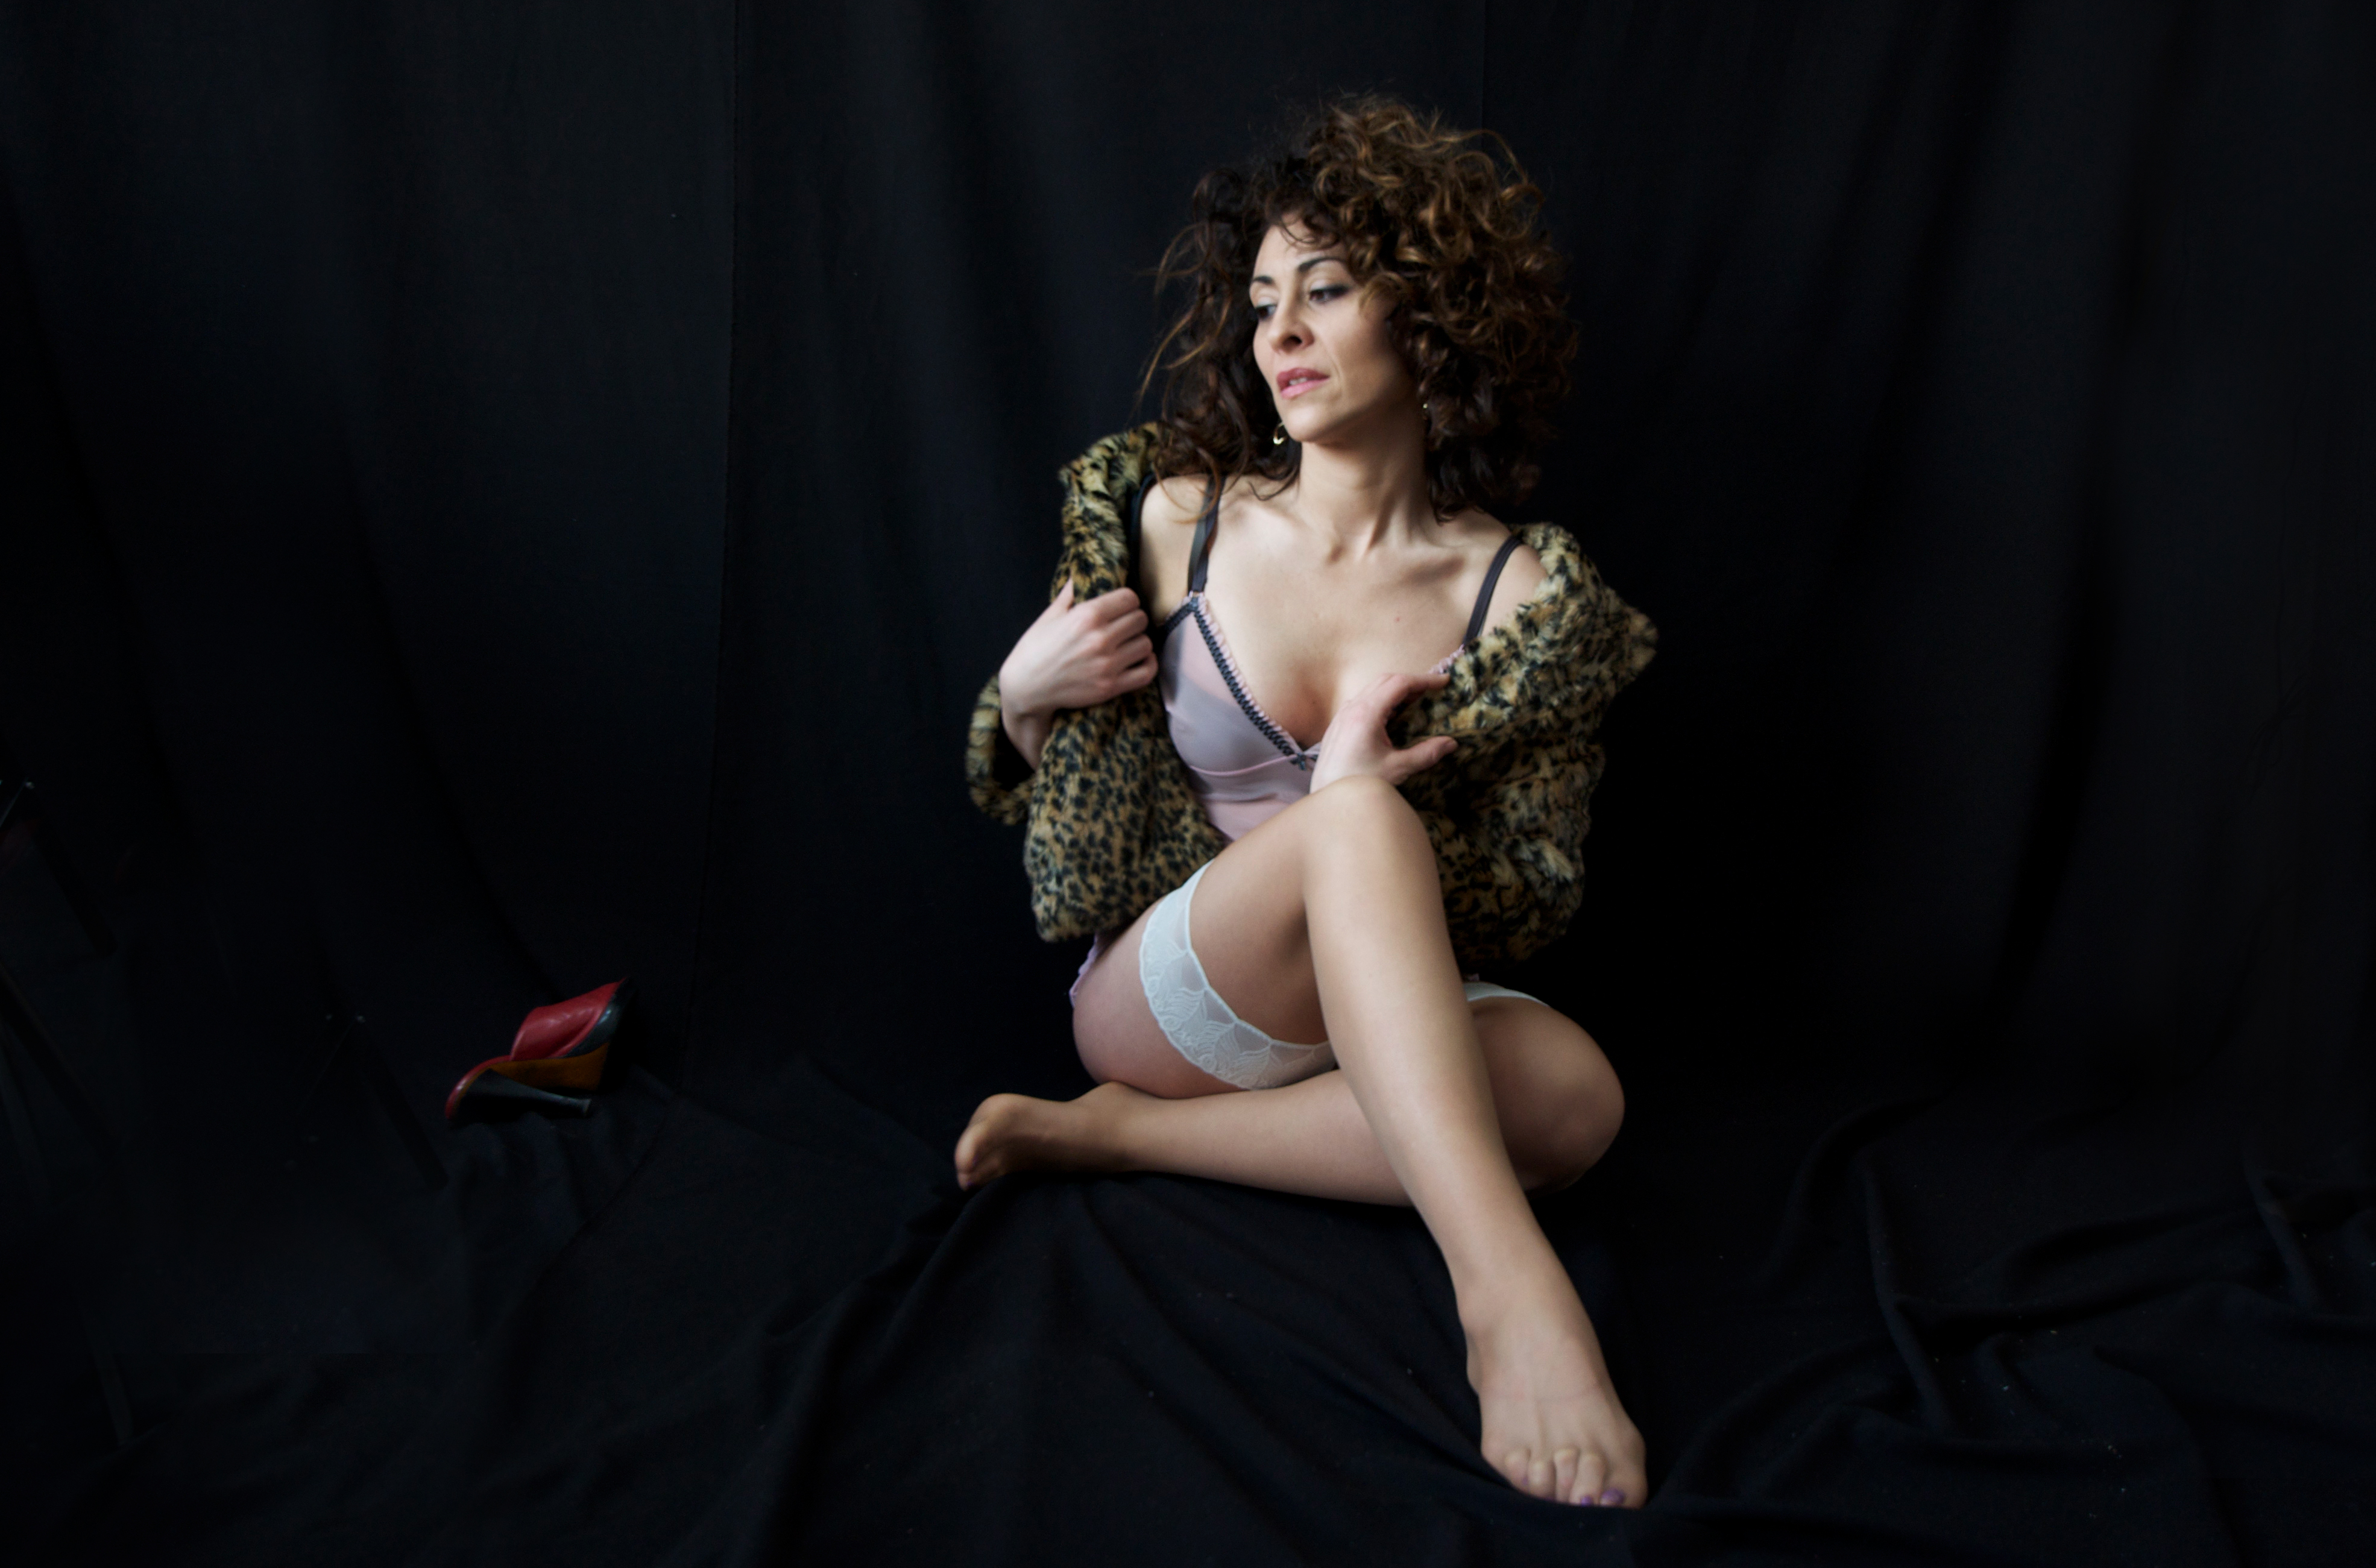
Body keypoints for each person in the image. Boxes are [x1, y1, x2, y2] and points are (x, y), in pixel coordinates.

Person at [955, 98, 1657, 1509]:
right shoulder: (1177, 518)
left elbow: (1531, 890)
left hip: (1373, 1007)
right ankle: (1508, 1292)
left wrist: (1379, 817)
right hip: (1173, 988)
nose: (1279, 329)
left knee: (1583, 1097)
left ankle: (1117, 1135)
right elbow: (1057, 803)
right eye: (1265, 298)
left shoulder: (1521, 591)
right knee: (1348, 817)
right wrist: (1019, 700)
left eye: (1325, 290)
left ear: (1433, 315)